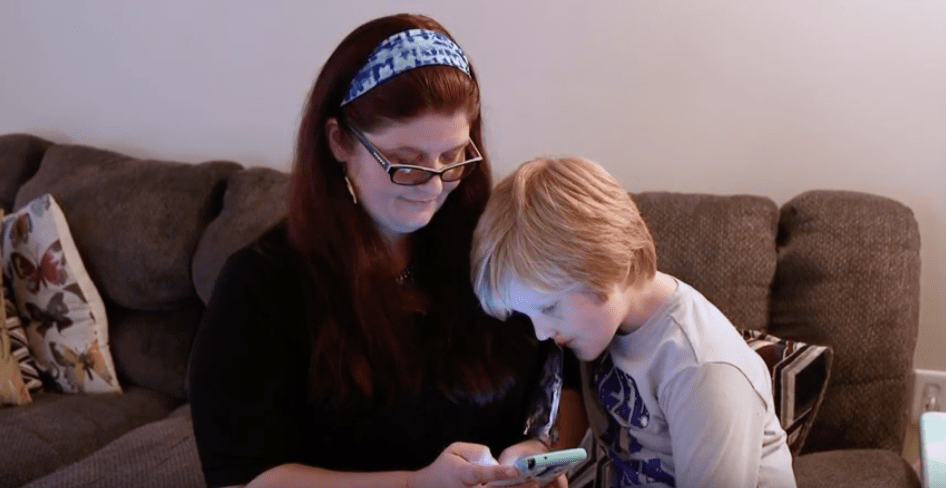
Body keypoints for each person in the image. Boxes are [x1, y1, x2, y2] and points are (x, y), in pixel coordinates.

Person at [188, 14, 585, 488]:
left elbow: (567, 375)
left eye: (453, 157)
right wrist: (415, 484)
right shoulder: (261, 285)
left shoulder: (494, 246)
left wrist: (540, 453)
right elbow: (244, 477)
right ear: (339, 141)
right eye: (406, 162)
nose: (434, 186)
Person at [470, 156, 797, 487]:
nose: (542, 332)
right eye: (528, 316)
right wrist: (538, 456)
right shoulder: (601, 328)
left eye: (550, 307)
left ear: (600, 260)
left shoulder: (701, 368)